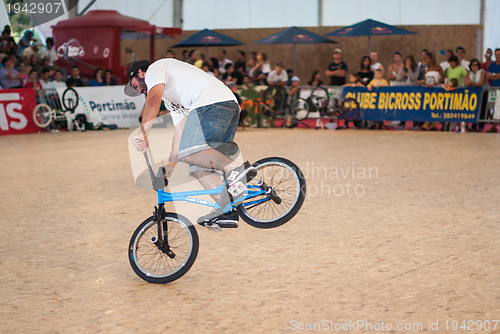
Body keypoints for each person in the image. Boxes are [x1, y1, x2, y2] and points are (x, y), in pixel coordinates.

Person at [125, 59, 257, 227]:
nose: (139, 89)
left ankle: (236, 168)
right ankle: (227, 211)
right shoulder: (171, 101)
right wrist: (171, 165)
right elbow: (179, 133)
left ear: (140, 73)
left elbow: (152, 101)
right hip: (225, 109)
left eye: (135, 85)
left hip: (212, 105)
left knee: (188, 152)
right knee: (198, 169)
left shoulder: (154, 69)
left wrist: (144, 133)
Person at [464, 59, 487, 132]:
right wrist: (472, 83)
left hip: (483, 93)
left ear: (478, 66)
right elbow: (466, 83)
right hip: (474, 94)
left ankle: (481, 127)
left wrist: (472, 83)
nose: (474, 67)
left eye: (476, 65)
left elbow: (481, 83)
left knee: (482, 110)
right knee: (474, 109)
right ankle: (473, 126)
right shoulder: (469, 72)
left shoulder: (482, 72)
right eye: (472, 65)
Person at [486, 48, 500, 132]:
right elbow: (488, 76)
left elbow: (491, 76)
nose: (498, 56)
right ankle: (494, 125)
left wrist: (493, 75)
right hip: (493, 89)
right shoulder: (492, 65)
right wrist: (496, 75)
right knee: (494, 107)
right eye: (496, 54)